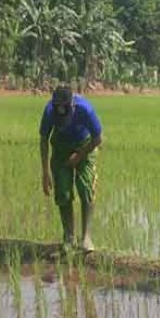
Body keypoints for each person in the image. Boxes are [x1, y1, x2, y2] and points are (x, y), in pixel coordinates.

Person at [40, 86, 103, 253]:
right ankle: (69, 237)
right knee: (63, 192)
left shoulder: (85, 109)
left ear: (73, 106)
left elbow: (98, 138)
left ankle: (86, 237)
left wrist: (79, 155)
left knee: (86, 186)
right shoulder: (49, 111)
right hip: (60, 147)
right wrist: (45, 173)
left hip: (85, 144)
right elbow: (44, 139)